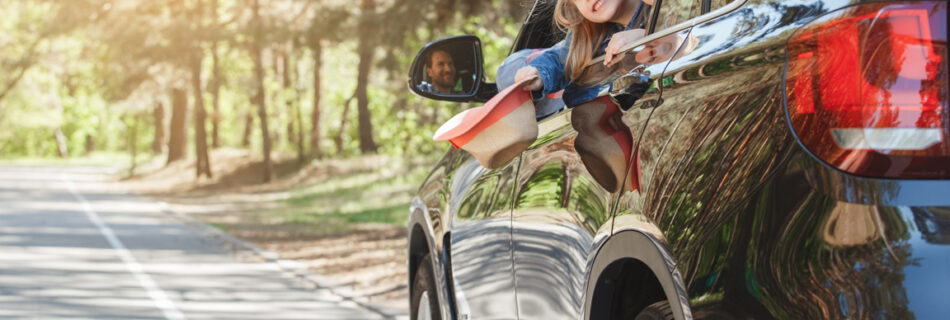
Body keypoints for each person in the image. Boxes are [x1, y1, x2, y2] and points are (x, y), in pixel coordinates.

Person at [514, 0, 651, 107]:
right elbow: (560, 60)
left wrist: (648, 37)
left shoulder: (664, 7)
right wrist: (538, 74)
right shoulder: (590, 41)